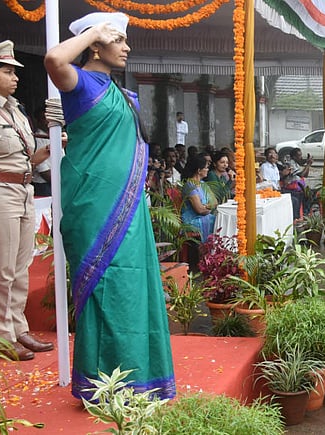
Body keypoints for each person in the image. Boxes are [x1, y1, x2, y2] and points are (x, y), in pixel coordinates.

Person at [44, 12, 176, 400]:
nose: (127, 47)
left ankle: (140, 379)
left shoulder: (122, 93)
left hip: (130, 207)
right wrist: (93, 33)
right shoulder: (81, 83)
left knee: (131, 288)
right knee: (104, 290)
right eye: (118, 39)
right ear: (96, 44)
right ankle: (100, 385)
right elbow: (53, 60)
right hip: (93, 206)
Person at [0, 40, 54, 361]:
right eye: (7, 71)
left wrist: (48, 150)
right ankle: (1, 337)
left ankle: (18, 328)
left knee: (21, 267)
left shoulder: (16, 111)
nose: (15, 77)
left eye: (15, 72)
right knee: (0, 271)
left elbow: (23, 160)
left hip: (23, 192)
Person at [180, 154, 216, 242]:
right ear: (199, 170)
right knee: (215, 222)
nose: (208, 170)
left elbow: (215, 202)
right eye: (206, 168)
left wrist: (207, 207)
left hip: (206, 215)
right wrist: (208, 207)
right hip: (192, 220)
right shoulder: (189, 185)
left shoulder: (203, 184)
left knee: (218, 220)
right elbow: (199, 210)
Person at [280, 147, 311, 219]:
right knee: (296, 206)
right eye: (299, 156)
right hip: (291, 189)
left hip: (298, 188)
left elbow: (305, 175)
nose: (301, 157)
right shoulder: (291, 163)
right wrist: (308, 164)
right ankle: (296, 219)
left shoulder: (296, 163)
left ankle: (304, 214)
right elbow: (301, 174)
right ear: (294, 157)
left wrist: (308, 164)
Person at [31, 103, 54, 197]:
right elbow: (42, 169)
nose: (47, 121)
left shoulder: (55, 135)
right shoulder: (37, 138)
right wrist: (59, 182)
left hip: (56, 181)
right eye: (44, 118)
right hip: (43, 185)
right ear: (38, 121)